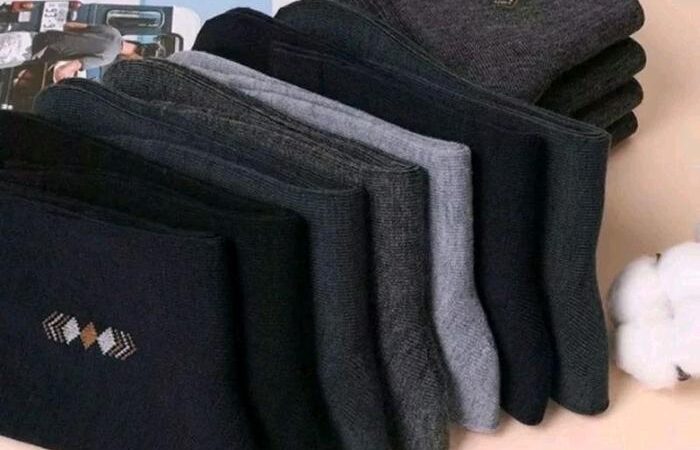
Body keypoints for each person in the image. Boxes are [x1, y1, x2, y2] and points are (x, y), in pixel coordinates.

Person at [0, 22, 142, 81]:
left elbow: (69, 25)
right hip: (24, 52)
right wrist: (62, 84)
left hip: (27, 37)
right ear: (136, 56)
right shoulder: (108, 57)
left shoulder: (113, 31)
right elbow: (64, 70)